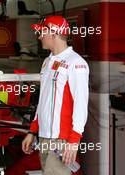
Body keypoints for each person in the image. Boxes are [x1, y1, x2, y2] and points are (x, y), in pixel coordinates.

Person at [22, 16, 89, 175]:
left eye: (42, 32)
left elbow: (81, 104)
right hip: (45, 138)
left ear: (53, 33)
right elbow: (42, 101)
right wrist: (32, 131)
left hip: (62, 140)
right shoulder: (47, 61)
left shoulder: (76, 63)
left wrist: (73, 141)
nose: (39, 36)